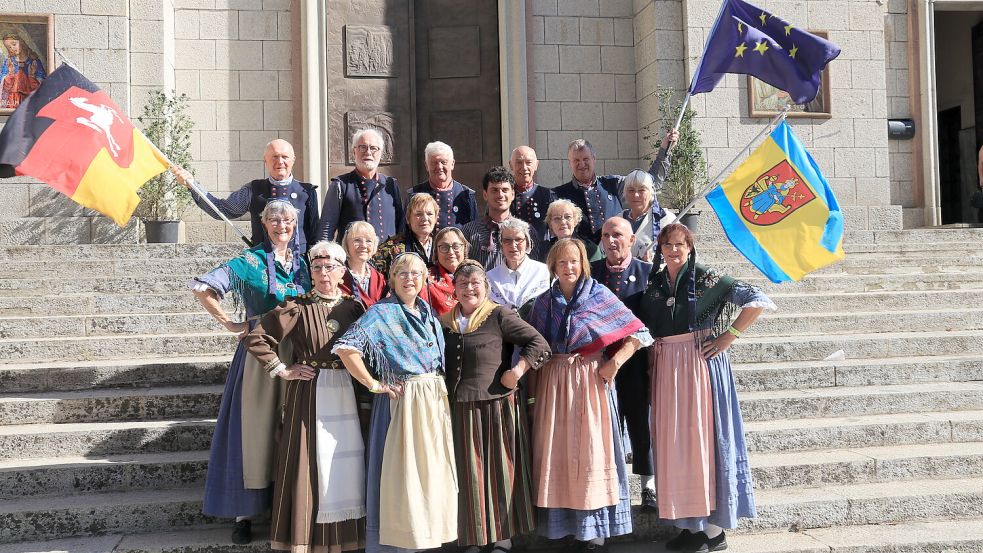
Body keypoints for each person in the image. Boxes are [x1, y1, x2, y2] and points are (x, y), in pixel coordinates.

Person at [638, 223, 776, 553]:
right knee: (676, 446)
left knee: (704, 443)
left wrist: (730, 335)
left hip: (700, 365)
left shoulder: (705, 277)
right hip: (666, 366)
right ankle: (690, 525)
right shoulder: (655, 283)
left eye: (680, 244)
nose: (674, 250)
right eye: (668, 244)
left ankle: (713, 530)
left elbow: (757, 299)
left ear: (689, 247)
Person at [189, 200, 310, 544]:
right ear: (263, 223)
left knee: (290, 428)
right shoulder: (250, 261)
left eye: (287, 219)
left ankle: (282, 504)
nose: (281, 224)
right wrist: (230, 323)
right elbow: (203, 287)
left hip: (297, 352)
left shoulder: (303, 263)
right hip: (260, 354)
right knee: (255, 429)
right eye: (274, 219)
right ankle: (244, 513)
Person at [526, 238, 653, 553]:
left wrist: (614, 363)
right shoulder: (543, 302)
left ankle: (593, 534)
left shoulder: (598, 294)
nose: (568, 268)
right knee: (557, 453)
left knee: (591, 453)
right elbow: (531, 344)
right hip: (554, 383)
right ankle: (564, 528)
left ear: (582, 263)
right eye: (562, 262)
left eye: (574, 261)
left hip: (590, 381)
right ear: (553, 266)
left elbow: (639, 333)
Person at [333, 252, 458, 553]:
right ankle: (402, 543)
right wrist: (375, 384)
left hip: (432, 402)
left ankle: (428, 538)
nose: (409, 279)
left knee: (431, 475)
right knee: (406, 477)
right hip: (405, 403)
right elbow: (346, 348)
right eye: (402, 273)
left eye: (415, 273)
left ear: (425, 278)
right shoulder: (382, 314)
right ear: (391, 280)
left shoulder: (428, 311)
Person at [245, 241, 366, 553]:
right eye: (317, 267)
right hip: (309, 392)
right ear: (310, 271)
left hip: (348, 393)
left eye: (330, 267)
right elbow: (257, 338)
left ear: (342, 271)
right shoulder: (297, 306)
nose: (324, 273)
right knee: (308, 464)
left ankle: (346, 539)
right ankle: (306, 539)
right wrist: (282, 369)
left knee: (346, 464)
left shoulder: (355, 308)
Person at [441, 260, 552, 553]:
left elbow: (538, 343)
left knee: (500, 472)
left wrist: (517, 372)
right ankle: (474, 537)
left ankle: (503, 537)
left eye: (475, 282)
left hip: (497, 406)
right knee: (468, 474)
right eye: (463, 284)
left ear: (486, 287)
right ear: (455, 289)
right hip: (460, 408)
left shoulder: (498, 315)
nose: (469, 288)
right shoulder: (445, 322)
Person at [591, 217, 656, 512]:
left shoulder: (649, 272)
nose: (611, 240)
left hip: (638, 360)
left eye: (617, 235)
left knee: (641, 422)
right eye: (606, 235)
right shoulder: (591, 274)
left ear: (631, 240)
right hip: (602, 362)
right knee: (606, 425)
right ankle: (611, 485)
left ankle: (648, 485)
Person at [172, 139, 319, 253]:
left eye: (285, 157)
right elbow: (222, 210)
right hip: (262, 266)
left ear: (293, 160)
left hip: (299, 267)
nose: (280, 162)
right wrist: (193, 185)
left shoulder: (307, 192)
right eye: (274, 156)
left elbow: (315, 234)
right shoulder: (253, 189)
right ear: (265, 160)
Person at [555, 131, 677, 243]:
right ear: (569, 163)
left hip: (614, 258)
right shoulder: (558, 195)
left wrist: (664, 150)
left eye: (586, 159)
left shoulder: (613, 183)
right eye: (576, 160)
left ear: (594, 159)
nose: (582, 164)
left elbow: (649, 182)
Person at [318, 128, 405, 243]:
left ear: (381, 153)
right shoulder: (340, 185)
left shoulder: (391, 184)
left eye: (373, 148)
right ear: (354, 151)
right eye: (363, 147)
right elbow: (326, 228)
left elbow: (400, 227)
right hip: (352, 258)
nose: (368, 152)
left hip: (387, 257)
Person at [461, 166, 531, 269]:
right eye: (494, 190)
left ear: (512, 194)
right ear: (485, 195)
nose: (500, 195)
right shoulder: (468, 231)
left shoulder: (526, 231)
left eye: (505, 190)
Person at [487, 218, 550, 313]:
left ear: (527, 243)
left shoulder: (545, 272)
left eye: (518, 239)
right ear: (501, 245)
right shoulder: (489, 278)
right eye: (507, 240)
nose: (513, 245)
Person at [409, 141, 477, 229]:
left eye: (443, 162)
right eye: (434, 162)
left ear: (452, 164)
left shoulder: (466, 195)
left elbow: (474, 233)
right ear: (426, 165)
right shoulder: (414, 194)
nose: (439, 167)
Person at [373, 193, 438, 277]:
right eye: (418, 214)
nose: (425, 218)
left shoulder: (441, 245)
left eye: (429, 214)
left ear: (436, 218)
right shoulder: (391, 247)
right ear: (408, 219)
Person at [621, 169, 672, 262]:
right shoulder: (618, 220)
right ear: (625, 193)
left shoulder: (666, 219)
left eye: (642, 190)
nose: (636, 195)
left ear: (651, 192)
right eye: (631, 190)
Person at [509, 145, 556, 243]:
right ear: (511, 165)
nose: (524, 167)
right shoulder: (504, 196)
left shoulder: (548, 195)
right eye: (519, 162)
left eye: (529, 162)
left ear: (536, 165)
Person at [535, 199, 603, 263]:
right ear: (550, 224)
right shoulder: (543, 250)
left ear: (575, 221)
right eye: (557, 218)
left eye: (568, 217)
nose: (563, 222)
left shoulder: (589, 249)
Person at [340, 221, 389, 308]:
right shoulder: (338, 276)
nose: (363, 245)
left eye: (369, 241)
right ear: (347, 244)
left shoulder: (380, 280)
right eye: (357, 240)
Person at [423, 226, 470, 316]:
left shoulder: (476, 276)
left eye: (456, 246)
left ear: (464, 248)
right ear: (436, 252)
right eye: (444, 247)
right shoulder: (426, 280)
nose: (451, 252)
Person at [0, 32, 46, 109]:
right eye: (9, 47)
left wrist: (32, 76)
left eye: (14, 44)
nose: (12, 49)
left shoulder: (34, 61)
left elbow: (42, 86)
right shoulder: (8, 62)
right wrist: (10, 74)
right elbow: (3, 86)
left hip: (29, 100)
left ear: (21, 42)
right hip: (13, 100)